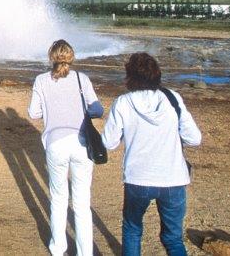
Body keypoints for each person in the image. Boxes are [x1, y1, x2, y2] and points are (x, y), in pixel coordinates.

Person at [102, 52, 201, 256]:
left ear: (129, 75)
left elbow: (109, 143)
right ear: (157, 74)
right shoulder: (172, 98)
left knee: (132, 230)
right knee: (173, 239)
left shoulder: (122, 102)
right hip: (173, 178)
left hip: (138, 179)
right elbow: (194, 138)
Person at [28, 39, 103, 256]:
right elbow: (97, 108)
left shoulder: (41, 80)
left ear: (51, 57)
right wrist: (83, 112)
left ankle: (58, 248)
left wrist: (52, 111)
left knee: (59, 198)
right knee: (81, 203)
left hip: (55, 144)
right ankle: (84, 253)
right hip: (81, 144)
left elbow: (34, 113)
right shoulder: (82, 79)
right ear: (71, 57)